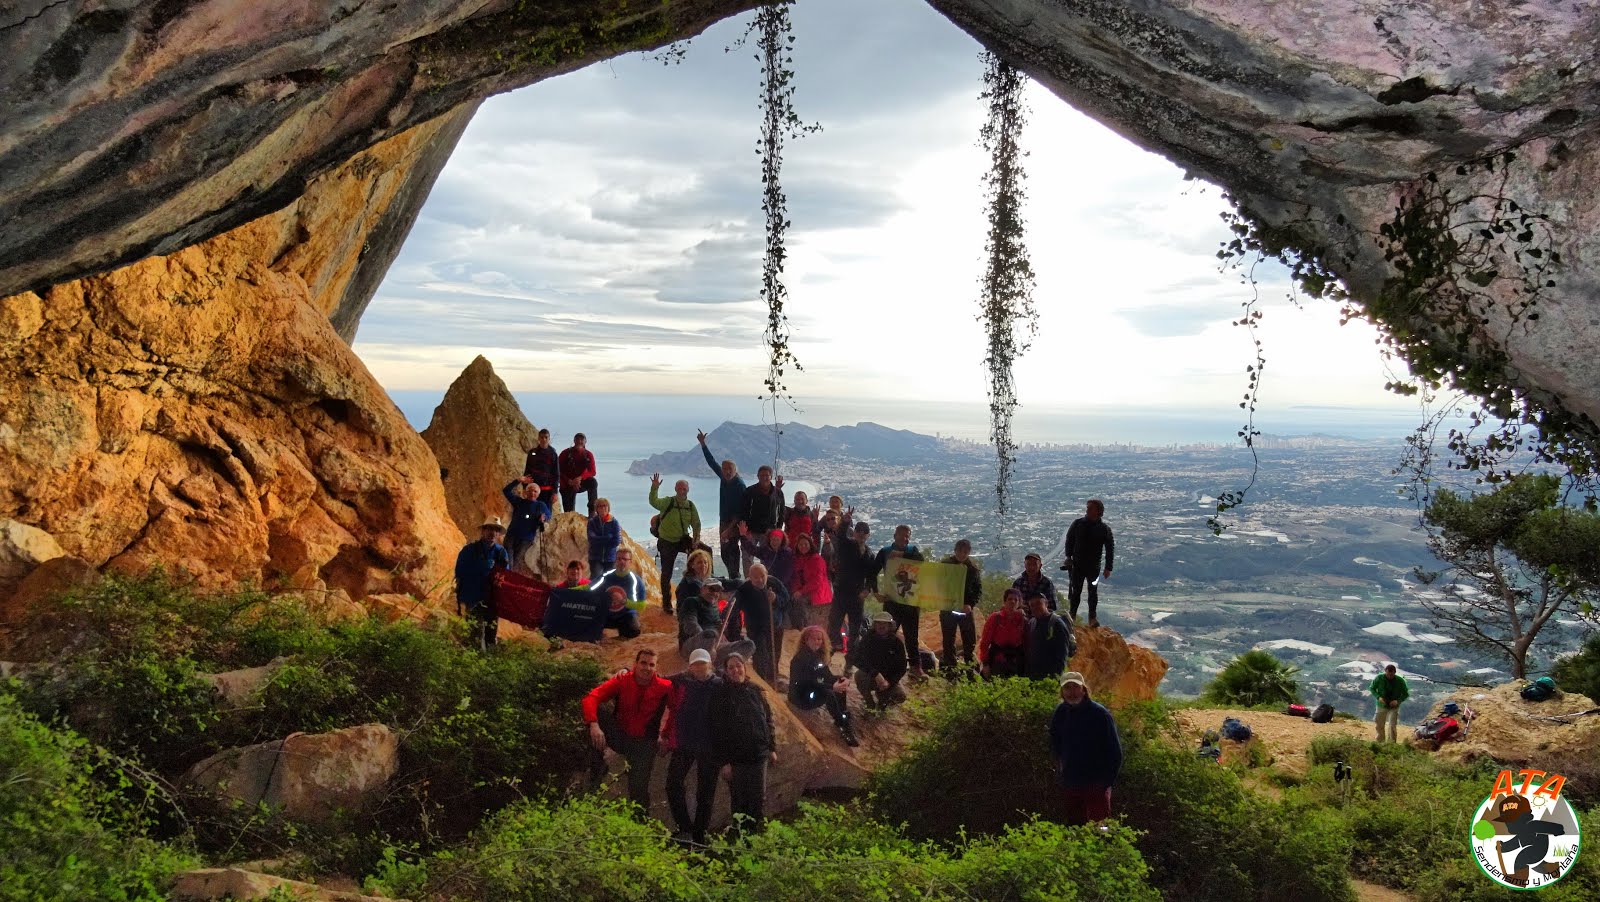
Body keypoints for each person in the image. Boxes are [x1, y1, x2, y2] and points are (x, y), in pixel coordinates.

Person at [583, 647, 674, 810]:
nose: (646, 668)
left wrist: (666, 735)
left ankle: (641, 825)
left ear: (656, 667)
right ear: (635, 664)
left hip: (644, 743)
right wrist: (594, 725)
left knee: (638, 790)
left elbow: (677, 710)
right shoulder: (623, 680)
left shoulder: (664, 687)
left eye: (651, 665)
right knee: (596, 716)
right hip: (621, 736)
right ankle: (597, 769)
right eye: (643, 663)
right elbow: (591, 698)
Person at [708, 653, 777, 836]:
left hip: (758, 756)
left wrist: (771, 747)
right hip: (736, 760)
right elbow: (717, 732)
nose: (735, 670)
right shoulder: (721, 695)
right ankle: (739, 838)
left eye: (738, 666)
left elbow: (767, 720)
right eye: (731, 667)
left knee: (757, 800)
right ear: (725, 671)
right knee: (739, 801)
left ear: (744, 668)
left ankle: (753, 837)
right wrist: (723, 762)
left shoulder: (755, 690)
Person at [662, 648, 722, 845]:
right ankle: (685, 827)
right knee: (672, 783)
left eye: (703, 663)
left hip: (710, 746)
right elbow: (659, 680)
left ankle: (699, 834)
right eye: (696, 664)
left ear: (710, 664)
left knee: (705, 792)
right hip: (685, 743)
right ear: (690, 667)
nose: (700, 667)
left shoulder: (720, 685)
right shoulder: (682, 682)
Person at [1049, 671, 1123, 826]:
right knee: (1075, 826)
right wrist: (1061, 770)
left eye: (1075, 687)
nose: (1072, 692)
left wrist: (1106, 782)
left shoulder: (1100, 714)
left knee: (1100, 828)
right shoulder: (1061, 713)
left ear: (1083, 689)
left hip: (1096, 784)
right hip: (1071, 782)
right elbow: (1055, 743)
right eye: (1067, 688)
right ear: (1062, 692)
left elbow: (1115, 752)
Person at [788, 625, 859, 746]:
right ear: (805, 640)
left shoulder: (818, 656)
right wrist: (832, 687)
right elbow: (808, 681)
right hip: (801, 696)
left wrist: (842, 680)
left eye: (819, 639)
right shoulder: (800, 658)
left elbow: (826, 676)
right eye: (814, 639)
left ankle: (842, 714)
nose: (817, 642)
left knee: (838, 682)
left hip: (813, 688)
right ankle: (843, 725)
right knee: (829, 693)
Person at [873, 525, 925, 680]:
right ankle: (880, 667)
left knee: (912, 636)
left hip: (910, 602)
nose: (905, 539)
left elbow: (921, 563)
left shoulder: (913, 551)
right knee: (887, 634)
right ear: (894, 535)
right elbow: (872, 571)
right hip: (892, 601)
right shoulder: (885, 552)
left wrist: (901, 555)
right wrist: (876, 592)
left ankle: (915, 668)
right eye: (902, 536)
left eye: (907, 536)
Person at [725, 563, 788, 684]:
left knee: (774, 653)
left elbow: (786, 599)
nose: (760, 579)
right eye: (755, 577)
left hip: (775, 625)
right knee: (760, 656)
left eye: (762, 576)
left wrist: (775, 599)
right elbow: (732, 607)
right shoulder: (744, 589)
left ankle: (772, 678)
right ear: (749, 577)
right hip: (757, 628)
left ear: (766, 574)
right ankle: (761, 682)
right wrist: (724, 619)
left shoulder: (774, 582)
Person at [649, 474, 701, 614]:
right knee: (667, 573)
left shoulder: (690, 506)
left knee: (704, 551)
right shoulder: (668, 502)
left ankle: (702, 588)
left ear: (688, 490)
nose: (682, 490)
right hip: (666, 541)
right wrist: (654, 487)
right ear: (675, 489)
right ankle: (667, 604)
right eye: (680, 488)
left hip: (681, 539)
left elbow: (696, 523)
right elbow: (654, 502)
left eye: (684, 488)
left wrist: (696, 541)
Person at [699, 430, 748, 579]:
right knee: (725, 551)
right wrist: (703, 444)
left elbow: (741, 511)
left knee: (731, 549)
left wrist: (729, 529)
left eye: (730, 469)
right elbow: (711, 462)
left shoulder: (739, 485)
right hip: (724, 520)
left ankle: (735, 577)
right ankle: (734, 575)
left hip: (735, 522)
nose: (726, 471)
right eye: (725, 468)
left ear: (735, 471)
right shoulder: (723, 477)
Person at [454, 517, 509, 650]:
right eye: (490, 529)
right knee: (475, 632)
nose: (493, 533)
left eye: (496, 530)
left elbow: (506, 576)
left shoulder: (501, 552)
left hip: (492, 598)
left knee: (491, 631)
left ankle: (489, 661)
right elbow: (460, 571)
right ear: (483, 531)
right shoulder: (469, 550)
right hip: (473, 596)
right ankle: (473, 663)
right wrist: (482, 567)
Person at [1062, 500, 1115, 627]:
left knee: (1093, 592)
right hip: (1077, 566)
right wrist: (1068, 557)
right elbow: (1069, 540)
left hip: (1094, 568)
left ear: (1098, 511)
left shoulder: (1104, 529)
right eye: (1088, 508)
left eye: (1090, 508)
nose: (1087, 510)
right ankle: (1072, 616)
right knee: (1076, 592)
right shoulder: (1078, 524)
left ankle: (1092, 618)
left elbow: (1110, 548)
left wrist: (1108, 567)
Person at [829, 519, 873, 660]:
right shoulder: (847, 545)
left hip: (857, 595)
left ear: (868, 535)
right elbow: (840, 535)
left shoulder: (869, 553)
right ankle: (830, 651)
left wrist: (867, 590)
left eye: (865, 532)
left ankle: (851, 657)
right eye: (859, 531)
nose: (861, 534)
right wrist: (845, 522)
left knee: (855, 628)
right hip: (841, 591)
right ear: (854, 533)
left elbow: (871, 575)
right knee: (834, 624)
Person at [938, 539, 983, 676]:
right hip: (948, 608)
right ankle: (950, 668)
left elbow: (977, 590)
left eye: (965, 552)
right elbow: (937, 583)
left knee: (969, 639)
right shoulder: (945, 565)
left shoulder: (973, 569)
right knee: (948, 638)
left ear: (969, 553)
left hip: (965, 609)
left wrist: (970, 604)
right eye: (960, 551)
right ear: (955, 550)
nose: (962, 554)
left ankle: (970, 668)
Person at [849, 611, 908, 710]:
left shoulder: (897, 643)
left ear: (890, 626)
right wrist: (875, 674)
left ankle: (883, 702)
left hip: (887, 679)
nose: (881, 626)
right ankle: (869, 703)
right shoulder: (867, 639)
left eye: (884, 623)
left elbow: (902, 667)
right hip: (870, 675)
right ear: (874, 625)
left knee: (900, 696)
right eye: (878, 623)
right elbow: (856, 658)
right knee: (859, 675)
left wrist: (890, 682)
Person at [676, 551, 723, 656]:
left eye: (705, 562)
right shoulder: (689, 587)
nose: (703, 565)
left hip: (709, 635)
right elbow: (688, 622)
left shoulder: (704, 582)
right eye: (699, 563)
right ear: (692, 565)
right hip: (694, 638)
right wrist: (705, 638)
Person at [739, 466, 786, 568]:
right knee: (747, 557)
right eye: (762, 475)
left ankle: (765, 579)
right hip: (752, 530)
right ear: (757, 476)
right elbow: (744, 511)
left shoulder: (777, 492)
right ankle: (749, 580)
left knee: (767, 558)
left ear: (771, 477)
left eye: (767, 475)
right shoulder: (750, 491)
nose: (764, 478)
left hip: (769, 532)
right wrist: (746, 530)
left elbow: (782, 511)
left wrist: (778, 528)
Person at [502, 477, 551, 575]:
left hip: (526, 538)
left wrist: (543, 518)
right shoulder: (519, 502)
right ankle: (506, 578)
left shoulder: (541, 505)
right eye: (530, 491)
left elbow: (548, 516)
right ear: (525, 492)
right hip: (512, 535)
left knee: (517, 561)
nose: (532, 493)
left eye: (535, 491)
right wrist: (518, 480)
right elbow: (506, 491)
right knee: (507, 559)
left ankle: (511, 581)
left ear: (538, 494)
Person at [1023, 594, 1075, 681]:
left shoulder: (1057, 623)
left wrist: (1056, 679)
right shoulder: (1032, 622)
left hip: (1050, 677)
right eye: (1032, 605)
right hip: (1033, 675)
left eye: (1038, 603)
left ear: (1046, 604)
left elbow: (1062, 654)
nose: (1035, 607)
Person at [978, 587, 1028, 678]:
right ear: (1004, 602)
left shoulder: (1023, 620)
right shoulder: (995, 618)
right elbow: (984, 643)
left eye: (1016, 600)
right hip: (997, 661)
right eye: (1009, 599)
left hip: (1015, 662)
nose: (1012, 601)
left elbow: (1026, 643)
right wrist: (985, 664)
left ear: (1019, 603)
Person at [787, 531, 832, 630]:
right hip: (805, 590)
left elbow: (817, 582)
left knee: (800, 601)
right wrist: (795, 590)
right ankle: (797, 627)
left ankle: (804, 627)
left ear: (810, 545)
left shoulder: (817, 560)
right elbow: (795, 578)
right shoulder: (798, 559)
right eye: (801, 544)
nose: (803, 546)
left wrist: (801, 591)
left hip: (817, 591)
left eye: (805, 544)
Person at [559, 432, 599, 516]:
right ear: (574, 440)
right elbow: (558, 470)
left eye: (582, 439)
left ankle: (592, 512)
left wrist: (580, 478)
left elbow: (593, 471)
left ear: (585, 442)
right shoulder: (565, 453)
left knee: (593, 482)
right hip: (567, 484)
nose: (579, 441)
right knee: (569, 513)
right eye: (577, 439)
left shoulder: (588, 455)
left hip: (581, 482)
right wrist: (569, 481)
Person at [1370, 663, 1409, 742]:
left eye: (1391, 675)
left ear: (1394, 673)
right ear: (1385, 672)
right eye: (1388, 674)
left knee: (1392, 725)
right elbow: (1372, 688)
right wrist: (1378, 697)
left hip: (1394, 706)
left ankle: (1391, 743)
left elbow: (1406, 694)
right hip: (1381, 704)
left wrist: (1398, 701)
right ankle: (1380, 742)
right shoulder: (1379, 678)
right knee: (1379, 724)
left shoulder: (1400, 681)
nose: (1389, 676)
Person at [522, 427, 560, 509]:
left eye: (546, 437)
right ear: (538, 438)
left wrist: (555, 492)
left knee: (546, 514)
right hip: (533, 489)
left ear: (549, 439)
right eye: (542, 437)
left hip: (548, 490)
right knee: (532, 512)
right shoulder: (532, 452)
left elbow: (556, 474)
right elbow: (527, 471)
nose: (544, 439)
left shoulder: (553, 454)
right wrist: (524, 488)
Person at [587, 498, 621, 583]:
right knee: (595, 581)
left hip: (610, 559)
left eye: (605, 506)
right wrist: (608, 537)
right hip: (595, 558)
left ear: (608, 508)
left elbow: (616, 541)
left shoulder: (614, 522)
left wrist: (599, 540)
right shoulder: (592, 522)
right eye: (600, 506)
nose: (603, 508)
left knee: (610, 582)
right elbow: (591, 539)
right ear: (596, 509)